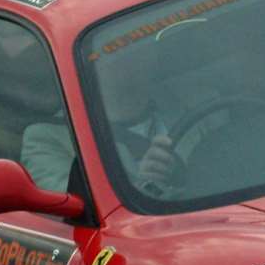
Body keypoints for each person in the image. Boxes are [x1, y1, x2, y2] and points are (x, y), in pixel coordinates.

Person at [22, 42, 183, 196]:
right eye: (112, 51)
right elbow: (76, 209)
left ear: (154, 53)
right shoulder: (46, 137)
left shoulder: (191, 97)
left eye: (138, 47)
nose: (128, 59)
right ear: (85, 67)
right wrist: (143, 187)